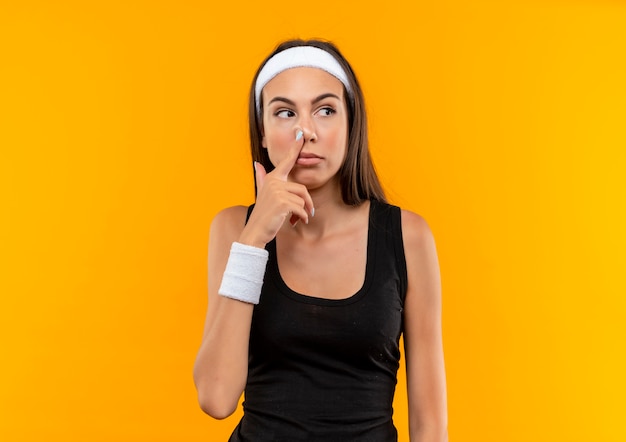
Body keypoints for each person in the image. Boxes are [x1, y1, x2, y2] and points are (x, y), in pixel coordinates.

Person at [193, 39, 448, 442]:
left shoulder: (408, 237)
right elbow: (215, 396)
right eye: (285, 112)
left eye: (325, 110)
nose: (305, 130)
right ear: (263, 131)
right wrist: (256, 236)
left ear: (351, 124)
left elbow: (430, 425)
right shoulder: (233, 230)